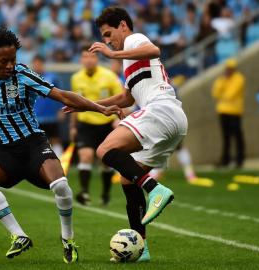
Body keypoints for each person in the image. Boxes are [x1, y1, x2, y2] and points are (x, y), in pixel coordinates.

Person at [0, 28, 120, 263]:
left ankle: (68, 239)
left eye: (13, 59)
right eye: (4, 61)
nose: (10, 65)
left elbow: (63, 95)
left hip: (32, 144)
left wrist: (100, 108)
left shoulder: (23, 76)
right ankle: (18, 236)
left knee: (60, 185)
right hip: (1, 150)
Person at [79, 7, 188, 262]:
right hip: (172, 119)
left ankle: (155, 188)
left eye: (108, 34)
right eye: (104, 37)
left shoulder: (134, 40)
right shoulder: (129, 60)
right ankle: (142, 249)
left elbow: (154, 51)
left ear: (123, 26)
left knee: (105, 150)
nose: (107, 40)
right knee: (128, 180)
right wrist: (87, 104)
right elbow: (126, 97)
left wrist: (113, 53)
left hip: (161, 110)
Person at [70, 45, 123, 206]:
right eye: (85, 57)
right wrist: (72, 126)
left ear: (97, 59)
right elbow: (74, 104)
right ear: (81, 59)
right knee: (85, 155)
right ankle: (84, 192)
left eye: (91, 57)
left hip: (106, 124)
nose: (88, 60)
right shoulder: (76, 78)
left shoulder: (109, 76)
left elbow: (122, 99)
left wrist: (118, 119)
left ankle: (105, 193)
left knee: (105, 161)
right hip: (85, 124)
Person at [212, 58, 245, 168]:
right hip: (223, 111)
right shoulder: (222, 79)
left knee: (237, 136)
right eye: (228, 68)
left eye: (231, 69)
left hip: (235, 111)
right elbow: (215, 93)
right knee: (226, 137)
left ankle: (239, 160)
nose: (229, 71)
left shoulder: (239, 78)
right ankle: (225, 160)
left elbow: (230, 94)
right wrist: (223, 82)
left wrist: (223, 95)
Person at [32, 55, 64, 157]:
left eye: (39, 63)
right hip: (35, 117)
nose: (37, 66)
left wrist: (61, 110)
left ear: (43, 64)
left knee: (55, 139)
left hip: (51, 116)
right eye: (35, 63)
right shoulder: (29, 78)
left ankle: (60, 162)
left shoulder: (53, 77)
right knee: (35, 141)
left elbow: (61, 95)